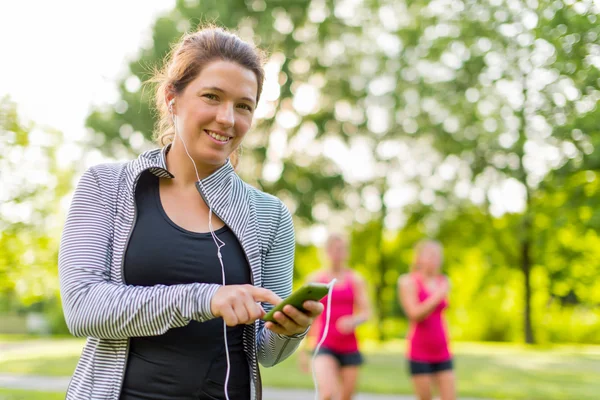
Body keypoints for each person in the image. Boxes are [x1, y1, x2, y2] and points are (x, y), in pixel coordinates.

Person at [58, 26, 323, 400]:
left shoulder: (270, 215)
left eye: (243, 105)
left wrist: (289, 329)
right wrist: (206, 298)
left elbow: (266, 351)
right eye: (211, 97)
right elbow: (83, 308)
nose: (227, 118)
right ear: (173, 98)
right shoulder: (106, 186)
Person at [299, 234, 371, 400]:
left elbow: (366, 312)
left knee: (345, 397)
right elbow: (306, 318)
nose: (337, 253)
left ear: (347, 252)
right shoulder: (316, 280)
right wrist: (303, 351)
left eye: (341, 249)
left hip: (350, 346)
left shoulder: (356, 279)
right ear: (326, 252)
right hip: (325, 345)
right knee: (327, 394)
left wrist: (354, 320)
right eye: (333, 249)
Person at [397, 240, 455, 400]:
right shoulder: (407, 281)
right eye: (431, 255)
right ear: (419, 258)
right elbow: (414, 314)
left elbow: (441, 315)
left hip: (442, 349)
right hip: (419, 351)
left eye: (438, 256)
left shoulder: (442, 280)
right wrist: (438, 295)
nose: (435, 259)